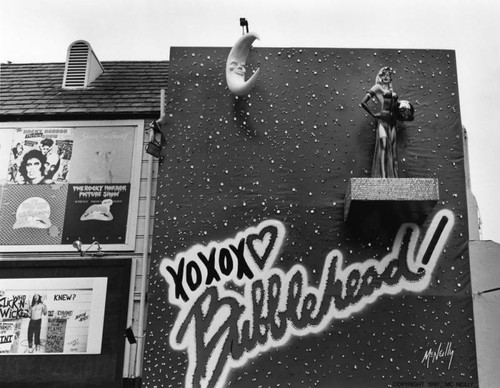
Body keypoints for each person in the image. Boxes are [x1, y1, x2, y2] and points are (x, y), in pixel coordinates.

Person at [360, 67, 399, 178]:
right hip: (383, 121)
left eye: (388, 74)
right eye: (383, 74)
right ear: (380, 77)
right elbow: (363, 102)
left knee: (392, 150)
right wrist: (373, 114)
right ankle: (382, 177)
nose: (386, 76)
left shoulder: (392, 91)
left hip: (393, 122)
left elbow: (395, 107)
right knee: (384, 144)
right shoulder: (377, 87)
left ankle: (394, 178)